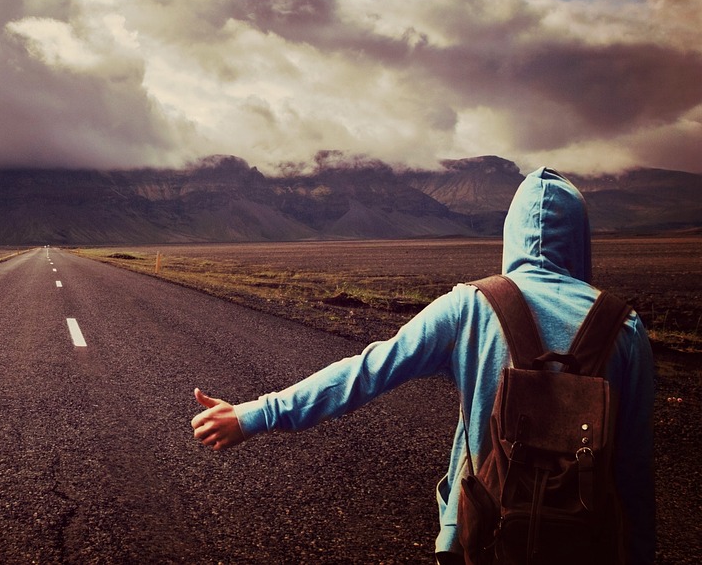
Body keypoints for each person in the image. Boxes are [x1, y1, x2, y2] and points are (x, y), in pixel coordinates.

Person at [191, 167, 655, 563]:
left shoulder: (471, 306)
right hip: (587, 541)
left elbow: (366, 372)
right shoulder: (624, 327)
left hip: (482, 534)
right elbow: (634, 469)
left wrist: (255, 414)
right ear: (581, 238)